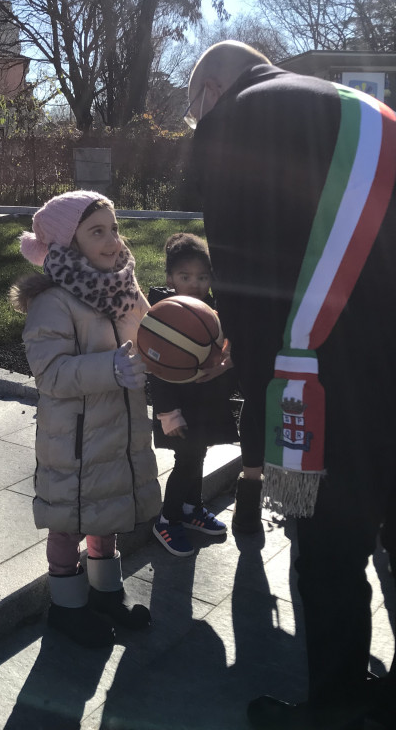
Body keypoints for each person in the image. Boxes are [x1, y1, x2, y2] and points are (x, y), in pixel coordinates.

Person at [186, 41, 396, 729]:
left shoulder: (234, 122)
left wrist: (254, 420)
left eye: (194, 110)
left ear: (209, 91)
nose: (196, 125)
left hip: (341, 374)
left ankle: (337, 706)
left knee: (328, 549)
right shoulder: (367, 110)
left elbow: (248, 282)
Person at [12, 190, 160, 649]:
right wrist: (110, 369)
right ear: (67, 244)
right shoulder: (53, 302)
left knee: (105, 512)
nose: (113, 240)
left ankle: (106, 594)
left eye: (113, 228)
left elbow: (151, 339)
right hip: (73, 437)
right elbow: (50, 373)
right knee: (69, 520)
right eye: (97, 231)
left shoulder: (124, 288)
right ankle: (67, 606)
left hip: (118, 428)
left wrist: (185, 349)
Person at [148, 232, 240, 556]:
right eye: (185, 276)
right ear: (170, 278)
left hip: (206, 402)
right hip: (178, 408)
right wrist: (168, 413)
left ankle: (191, 508)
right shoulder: (162, 317)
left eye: (203, 277)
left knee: (198, 454)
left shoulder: (212, 311)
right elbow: (156, 369)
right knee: (186, 460)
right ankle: (167, 519)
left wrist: (229, 363)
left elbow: (227, 349)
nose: (195, 283)